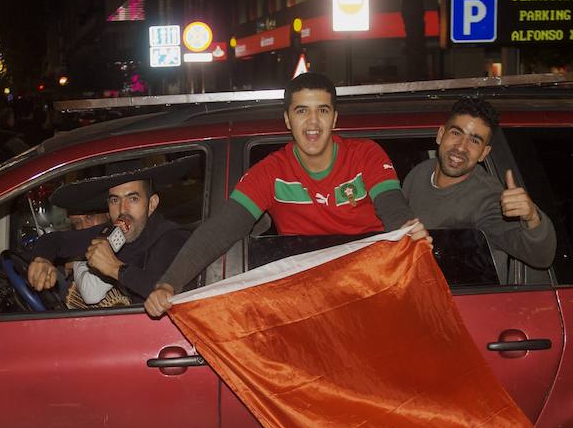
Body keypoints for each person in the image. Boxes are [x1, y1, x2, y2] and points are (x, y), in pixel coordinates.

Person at [145, 72, 428, 318]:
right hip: (308, 300)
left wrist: (406, 230)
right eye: (302, 111)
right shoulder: (271, 173)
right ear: (287, 119)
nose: (313, 122)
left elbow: (392, 204)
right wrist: (169, 283)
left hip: (372, 290)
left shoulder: (365, 155)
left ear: (335, 117)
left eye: (323, 110)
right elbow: (220, 230)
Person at [401, 96, 556, 271]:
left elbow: (541, 257)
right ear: (440, 135)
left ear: (484, 153)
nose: (461, 147)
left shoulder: (488, 199)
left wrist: (532, 217)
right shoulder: (419, 173)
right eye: (456, 133)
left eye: (474, 141)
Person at [25, 158, 196, 305]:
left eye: (133, 199)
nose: (123, 210)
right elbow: (55, 240)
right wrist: (43, 259)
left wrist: (115, 268)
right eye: (115, 200)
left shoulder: (170, 238)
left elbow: (161, 294)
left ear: (151, 204)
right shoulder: (111, 233)